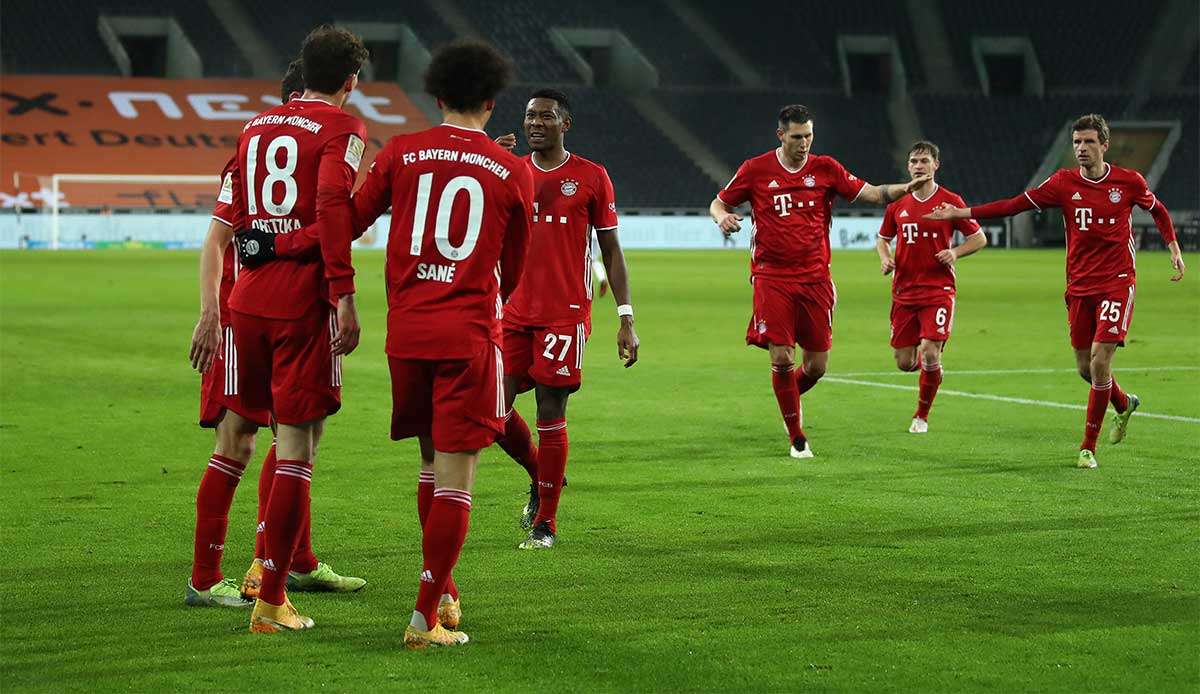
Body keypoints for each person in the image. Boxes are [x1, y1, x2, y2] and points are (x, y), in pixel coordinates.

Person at [284, 40, 530, 648]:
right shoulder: (515, 170)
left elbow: (351, 215)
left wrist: (328, 276)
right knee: (456, 480)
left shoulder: (400, 152)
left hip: (408, 336)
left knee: (428, 462)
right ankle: (424, 616)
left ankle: (444, 589)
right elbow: (516, 268)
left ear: (438, 95)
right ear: (493, 102)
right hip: (469, 333)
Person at [185, 59, 362, 610]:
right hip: (262, 312)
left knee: (288, 435)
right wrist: (210, 313)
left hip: (251, 308)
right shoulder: (299, 142)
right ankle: (230, 574)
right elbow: (217, 240)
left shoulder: (257, 140)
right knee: (257, 440)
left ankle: (293, 561)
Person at [925, 113, 1185, 468]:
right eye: (1076, 142)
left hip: (1117, 282)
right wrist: (963, 211)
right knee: (1084, 368)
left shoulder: (1128, 182)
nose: (1081, 148)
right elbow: (1014, 205)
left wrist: (1173, 247)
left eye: (1089, 142)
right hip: (1079, 286)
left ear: (1104, 145)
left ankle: (1087, 448)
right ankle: (1124, 404)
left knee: (1099, 361)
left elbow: (1159, 210)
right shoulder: (1062, 183)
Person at [228, 25, 368, 633]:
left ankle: (265, 570)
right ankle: (271, 599)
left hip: (245, 301)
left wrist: (270, 239)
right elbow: (334, 209)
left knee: (247, 439)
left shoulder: (256, 125)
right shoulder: (345, 128)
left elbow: (240, 221)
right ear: (350, 81)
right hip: (300, 304)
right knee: (297, 452)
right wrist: (343, 292)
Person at [709, 104, 932, 459]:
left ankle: (789, 402)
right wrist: (721, 218)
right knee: (781, 357)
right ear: (781, 135)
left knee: (816, 367)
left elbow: (873, 194)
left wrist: (907, 187)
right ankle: (797, 437)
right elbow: (718, 203)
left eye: (809, 136)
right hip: (771, 276)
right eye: (797, 137)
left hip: (815, 279)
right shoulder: (755, 170)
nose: (804, 143)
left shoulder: (826, 168)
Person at [491, 89, 639, 550]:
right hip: (512, 312)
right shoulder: (509, 171)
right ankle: (540, 474)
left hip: (564, 314)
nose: (535, 122)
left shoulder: (591, 177)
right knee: (491, 409)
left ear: (564, 124)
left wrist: (625, 317)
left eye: (546, 116)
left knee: (549, 412)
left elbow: (612, 251)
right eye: (530, 116)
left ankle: (546, 524)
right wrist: (487, 167)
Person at [876, 141, 986, 433]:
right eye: (914, 161)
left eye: (924, 160)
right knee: (903, 362)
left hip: (938, 291)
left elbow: (979, 238)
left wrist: (955, 253)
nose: (918, 166)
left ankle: (921, 416)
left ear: (936, 164)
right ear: (908, 166)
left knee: (929, 350)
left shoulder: (950, 200)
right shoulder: (898, 203)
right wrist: (885, 257)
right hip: (904, 293)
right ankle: (932, 372)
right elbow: (882, 238)